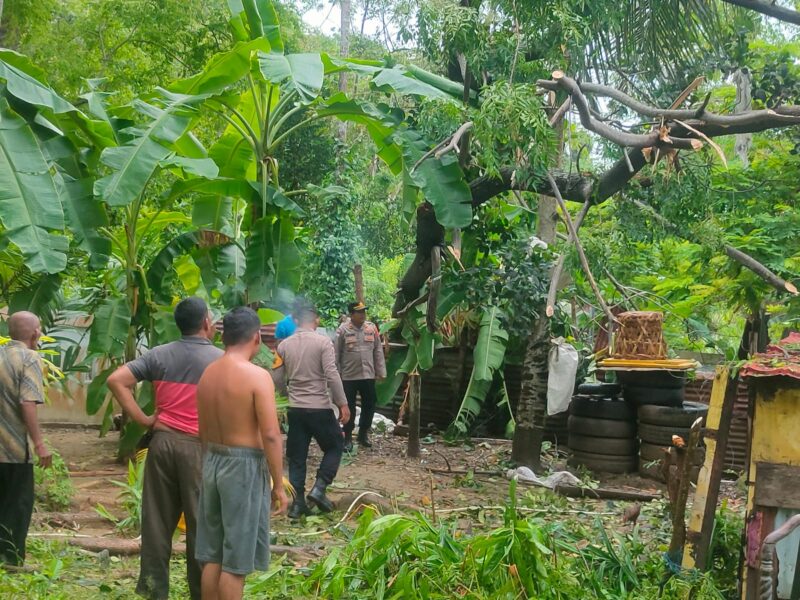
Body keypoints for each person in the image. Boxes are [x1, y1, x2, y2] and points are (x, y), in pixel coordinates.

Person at [107, 297, 222, 600]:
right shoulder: (220, 361)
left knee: (157, 523)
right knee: (201, 525)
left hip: (162, 444)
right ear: (206, 323)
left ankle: (154, 590)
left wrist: (145, 419)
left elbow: (116, 380)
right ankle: (201, 592)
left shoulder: (158, 355)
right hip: (199, 448)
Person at [195, 307, 287, 600]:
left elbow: (203, 430)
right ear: (257, 337)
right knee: (236, 562)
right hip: (243, 467)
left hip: (213, 460)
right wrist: (278, 484)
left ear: (224, 336)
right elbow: (271, 434)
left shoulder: (208, 374)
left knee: (213, 555)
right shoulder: (257, 376)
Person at [274, 301, 350, 519]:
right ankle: (320, 487)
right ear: (314, 319)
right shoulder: (323, 342)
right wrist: (342, 403)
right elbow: (332, 375)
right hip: (319, 407)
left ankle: (298, 504)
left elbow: (278, 378)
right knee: (335, 445)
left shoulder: (284, 346)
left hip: (296, 409)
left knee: (297, 456)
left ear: (296, 320)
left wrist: (286, 398)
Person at [0, 311, 51, 566]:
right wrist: (39, 444)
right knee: (18, 504)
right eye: (39, 328)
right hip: (13, 449)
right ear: (34, 333)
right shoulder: (29, 358)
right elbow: (27, 401)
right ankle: (11, 559)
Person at [335, 302, 386, 452]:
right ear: (352, 314)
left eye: (364, 312)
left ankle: (363, 434)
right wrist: (336, 375)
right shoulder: (343, 330)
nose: (363, 315)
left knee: (370, 404)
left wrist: (381, 371)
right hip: (349, 376)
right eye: (359, 312)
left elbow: (378, 351)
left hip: (368, 375)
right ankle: (348, 437)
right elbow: (336, 354)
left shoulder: (371, 328)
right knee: (348, 406)